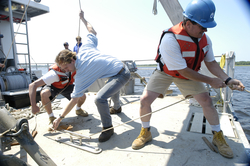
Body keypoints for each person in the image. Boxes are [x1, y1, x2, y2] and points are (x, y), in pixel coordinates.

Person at [131, 0, 245, 159]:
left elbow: (211, 63)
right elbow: (182, 70)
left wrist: (227, 79)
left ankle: (218, 135)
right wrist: (211, 81)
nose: (205, 30)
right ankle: (146, 131)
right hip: (167, 72)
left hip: (189, 73)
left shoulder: (206, 39)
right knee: (144, 100)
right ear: (189, 23)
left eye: (207, 27)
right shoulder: (170, 39)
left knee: (207, 101)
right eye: (202, 26)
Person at [52, 10, 130, 142]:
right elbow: (92, 31)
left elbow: (74, 100)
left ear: (72, 60)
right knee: (111, 85)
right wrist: (83, 19)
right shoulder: (84, 48)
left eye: (66, 68)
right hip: (115, 68)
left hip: (122, 74)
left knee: (99, 98)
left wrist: (60, 117)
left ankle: (108, 128)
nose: (66, 71)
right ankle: (117, 108)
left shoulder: (82, 73)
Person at [29, 63, 88, 131]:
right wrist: (33, 105)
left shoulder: (77, 68)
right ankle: (51, 117)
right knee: (44, 94)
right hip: (54, 86)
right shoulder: (53, 74)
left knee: (82, 96)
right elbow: (32, 85)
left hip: (67, 85)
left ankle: (78, 109)